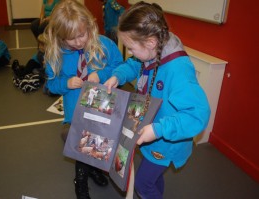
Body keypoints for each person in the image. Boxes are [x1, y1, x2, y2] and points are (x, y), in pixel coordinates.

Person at [104, 2, 211, 199]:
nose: (130, 52)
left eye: (131, 48)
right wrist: (117, 76)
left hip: (166, 140)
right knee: (153, 178)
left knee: (143, 184)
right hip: (150, 130)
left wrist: (158, 129)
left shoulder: (177, 70)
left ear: (151, 42)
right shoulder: (151, 51)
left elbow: (198, 114)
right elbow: (134, 64)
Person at [43, 0, 123, 198]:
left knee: (95, 138)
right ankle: (81, 180)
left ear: (89, 25)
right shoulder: (56, 53)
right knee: (81, 138)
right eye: (71, 38)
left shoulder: (105, 44)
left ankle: (93, 169)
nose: (79, 42)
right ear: (60, 36)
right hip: (76, 112)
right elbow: (51, 84)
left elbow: (120, 67)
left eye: (82, 35)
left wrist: (101, 75)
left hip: (104, 107)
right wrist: (66, 83)